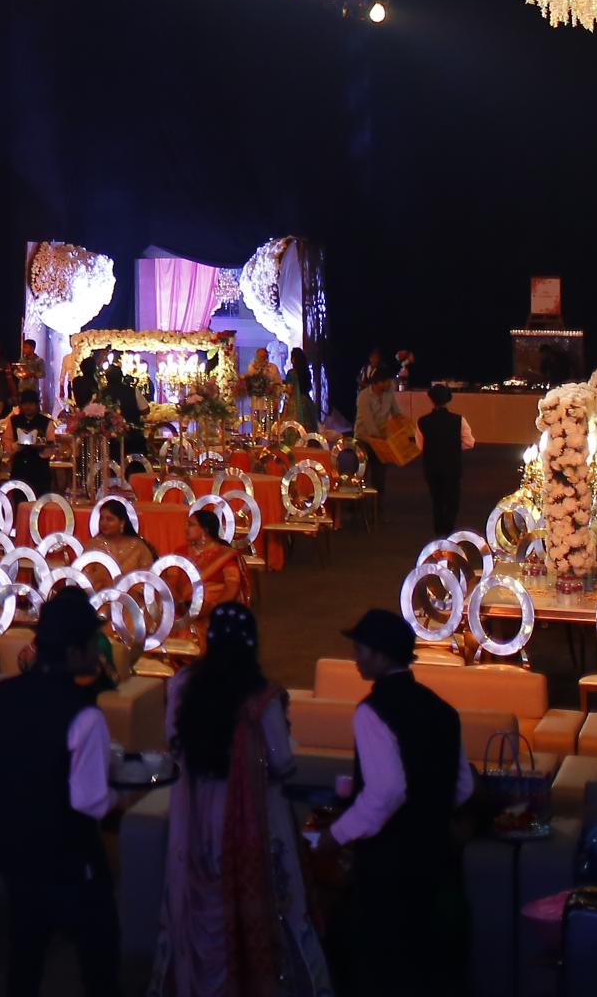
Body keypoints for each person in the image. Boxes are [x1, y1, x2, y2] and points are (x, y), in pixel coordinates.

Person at [152, 603, 331, 996]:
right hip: (253, 819)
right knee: (267, 901)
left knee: (198, 898)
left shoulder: (182, 685)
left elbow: (174, 744)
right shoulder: (262, 697)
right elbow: (282, 762)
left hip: (194, 813)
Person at [318, 608, 474, 997]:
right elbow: (463, 786)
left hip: (389, 871)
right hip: (438, 863)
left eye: (360, 650)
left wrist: (336, 835)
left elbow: (386, 793)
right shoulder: (443, 711)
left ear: (380, 655)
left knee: (386, 973)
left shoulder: (371, 712)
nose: (354, 658)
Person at [0, 587, 119, 997]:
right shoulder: (85, 714)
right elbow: (89, 801)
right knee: (100, 957)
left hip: (14, 854)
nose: (97, 651)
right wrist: (124, 797)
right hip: (67, 858)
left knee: (24, 958)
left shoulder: (1, 696)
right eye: (93, 643)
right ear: (76, 652)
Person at [409, 381, 473, 536]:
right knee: (452, 500)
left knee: (437, 499)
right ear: (448, 399)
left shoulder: (422, 421)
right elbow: (469, 442)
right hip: (452, 465)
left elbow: (420, 445)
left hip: (431, 466)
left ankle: (438, 530)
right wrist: (454, 447)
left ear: (431, 400)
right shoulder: (459, 420)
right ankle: (448, 528)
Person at [187, 507, 252, 615]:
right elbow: (171, 583)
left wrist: (214, 607)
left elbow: (232, 587)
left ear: (205, 530)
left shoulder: (225, 554)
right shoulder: (181, 551)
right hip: (182, 610)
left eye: (190, 525)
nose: (185, 529)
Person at [352, 356, 403, 493]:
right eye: (387, 381)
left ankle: (377, 502)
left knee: (380, 476)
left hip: (381, 439)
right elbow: (368, 422)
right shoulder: (364, 396)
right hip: (364, 439)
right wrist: (381, 439)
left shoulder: (389, 394)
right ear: (378, 382)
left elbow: (396, 412)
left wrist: (403, 426)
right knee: (361, 474)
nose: (390, 384)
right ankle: (357, 502)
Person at [7, 387, 54, 494]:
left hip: (40, 472)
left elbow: (51, 445)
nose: (27, 407)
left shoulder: (46, 422)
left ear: (37, 405)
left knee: (40, 500)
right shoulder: (13, 421)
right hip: (19, 470)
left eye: (31, 404)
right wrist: (16, 446)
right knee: (20, 500)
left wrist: (40, 447)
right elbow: (7, 443)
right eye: (25, 404)